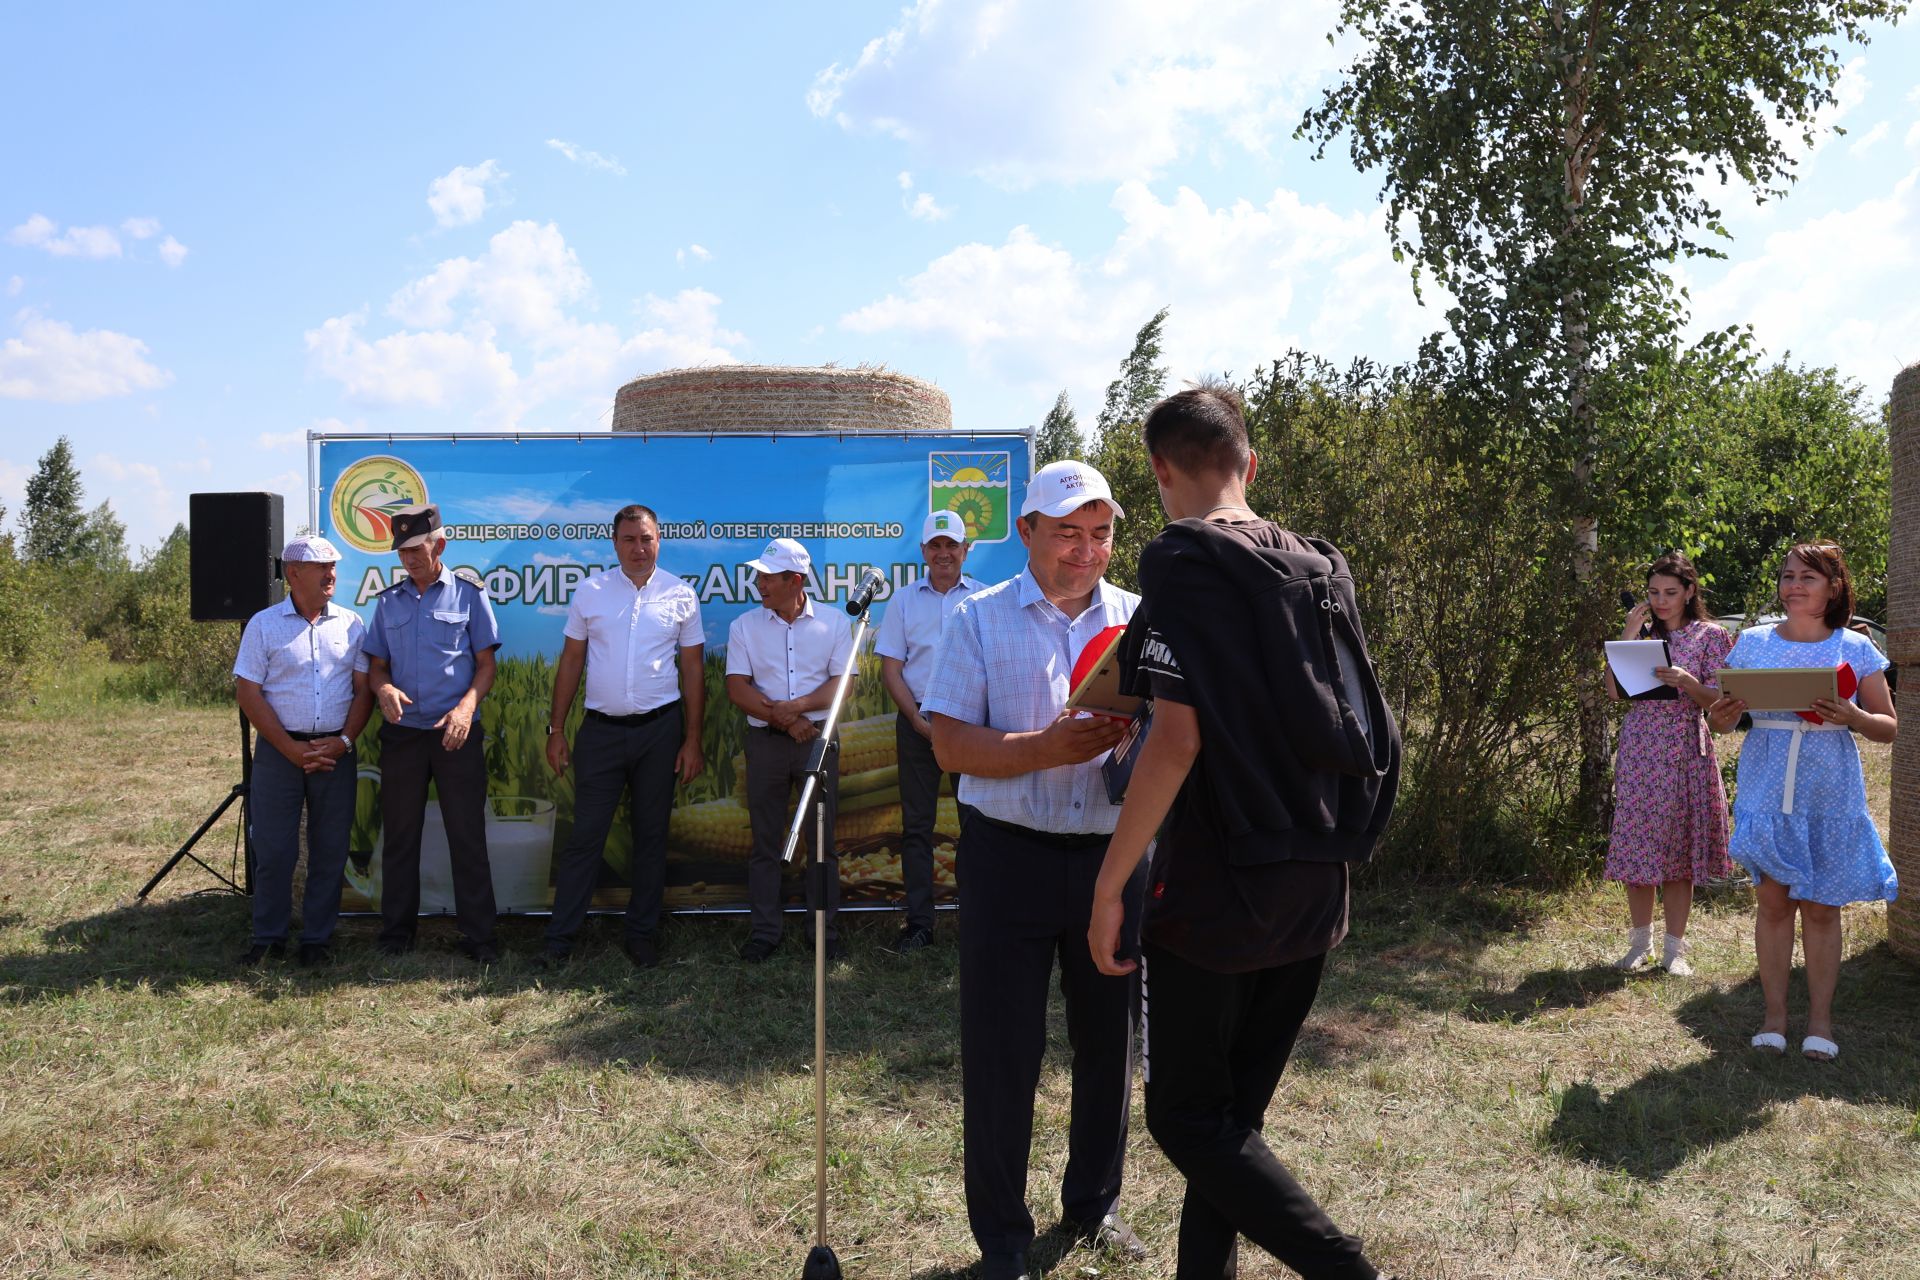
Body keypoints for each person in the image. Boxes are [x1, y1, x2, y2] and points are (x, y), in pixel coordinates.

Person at [1085, 388, 1399, 1280]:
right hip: (1318, 876)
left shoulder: (1183, 562)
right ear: (1249, 464)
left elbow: (1176, 740)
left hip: (1220, 884)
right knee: (1231, 1124)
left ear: (1159, 470)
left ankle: (1345, 1269)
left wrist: (1110, 886)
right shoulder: (1320, 564)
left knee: (1186, 1119)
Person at [921, 460, 1148, 1280]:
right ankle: (1004, 1242)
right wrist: (1042, 750)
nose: (1085, 552)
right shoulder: (977, 620)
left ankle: (1094, 1205)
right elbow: (948, 744)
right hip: (1006, 857)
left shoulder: (1139, 621)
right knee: (1002, 1052)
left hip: (1110, 862)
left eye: (1100, 534)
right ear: (1025, 533)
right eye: (1066, 534)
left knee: (1108, 1046)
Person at [1708, 541, 1898, 1061]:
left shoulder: (1855, 649)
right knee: (1772, 904)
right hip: (1767, 783)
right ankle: (1774, 1017)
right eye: (1788, 575)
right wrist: (1720, 719)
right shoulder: (1750, 641)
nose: (1793, 586)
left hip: (1828, 790)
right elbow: (1724, 716)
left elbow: (1888, 727)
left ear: (1833, 588)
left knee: (1820, 909)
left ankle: (1820, 1021)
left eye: (1807, 578)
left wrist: (1854, 717)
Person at [543, 505, 706, 969]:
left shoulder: (681, 594)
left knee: (651, 837)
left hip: (660, 730)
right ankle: (560, 939)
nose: (639, 548)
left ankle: (641, 935)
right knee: (586, 838)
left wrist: (691, 739)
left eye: (647, 539)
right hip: (601, 733)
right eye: (630, 539)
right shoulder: (591, 592)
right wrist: (556, 730)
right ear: (614, 543)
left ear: (660, 540)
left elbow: (693, 670)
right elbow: (572, 660)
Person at [364, 503, 504, 963]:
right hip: (404, 734)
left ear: (438, 545)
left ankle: (480, 937)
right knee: (401, 835)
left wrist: (467, 708)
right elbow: (377, 665)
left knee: (466, 834)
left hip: (455, 733)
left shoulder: (469, 594)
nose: (408, 559)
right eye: (401, 551)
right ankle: (396, 935)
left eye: (416, 549)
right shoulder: (387, 603)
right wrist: (382, 688)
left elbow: (486, 666)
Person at [232, 535, 374, 966]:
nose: (332, 575)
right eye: (321, 568)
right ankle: (269, 938)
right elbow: (248, 692)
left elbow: (364, 691)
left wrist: (346, 740)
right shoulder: (264, 624)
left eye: (334, 566)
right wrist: (290, 749)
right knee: (274, 849)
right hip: (279, 752)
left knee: (330, 849)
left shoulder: (351, 624)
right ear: (294, 574)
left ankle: (317, 941)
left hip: (336, 750)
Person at [1602, 553, 1736, 976]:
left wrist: (1689, 683)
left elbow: (1723, 702)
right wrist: (1628, 633)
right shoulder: (1642, 634)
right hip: (1641, 748)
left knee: (1679, 853)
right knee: (1638, 847)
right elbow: (1613, 693)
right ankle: (1637, 945)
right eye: (1654, 592)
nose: (1661, 601)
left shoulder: (1709, 636)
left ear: (1690, 592)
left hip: (1684, 747)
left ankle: (1674, 951)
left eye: (1670, 592)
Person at [724, 538, 854, 963]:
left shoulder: (835, 623)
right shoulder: (744, 626)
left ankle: (822, 929)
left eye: (766, 576)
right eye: (759, 575)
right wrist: (789, 720)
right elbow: (737, 687)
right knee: (764, 841)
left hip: (817, 743)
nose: (758, 583)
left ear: (794, 580)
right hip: (766, 745)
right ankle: (765, 932)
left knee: (821, 841)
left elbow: (843, 685)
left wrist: (798, 709)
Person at [874, 508, 983, 954]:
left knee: (976, 826)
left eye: (950, 545)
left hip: (969, 724)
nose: (943, 553)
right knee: (916, 828)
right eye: (935, 545)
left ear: (965, 550)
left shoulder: (983, 598)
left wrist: (964, 722)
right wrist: (918, 720)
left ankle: (980, 921)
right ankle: (920, 925)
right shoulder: (902, 601)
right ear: (923, 551)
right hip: (915, 721)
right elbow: (891, 670)